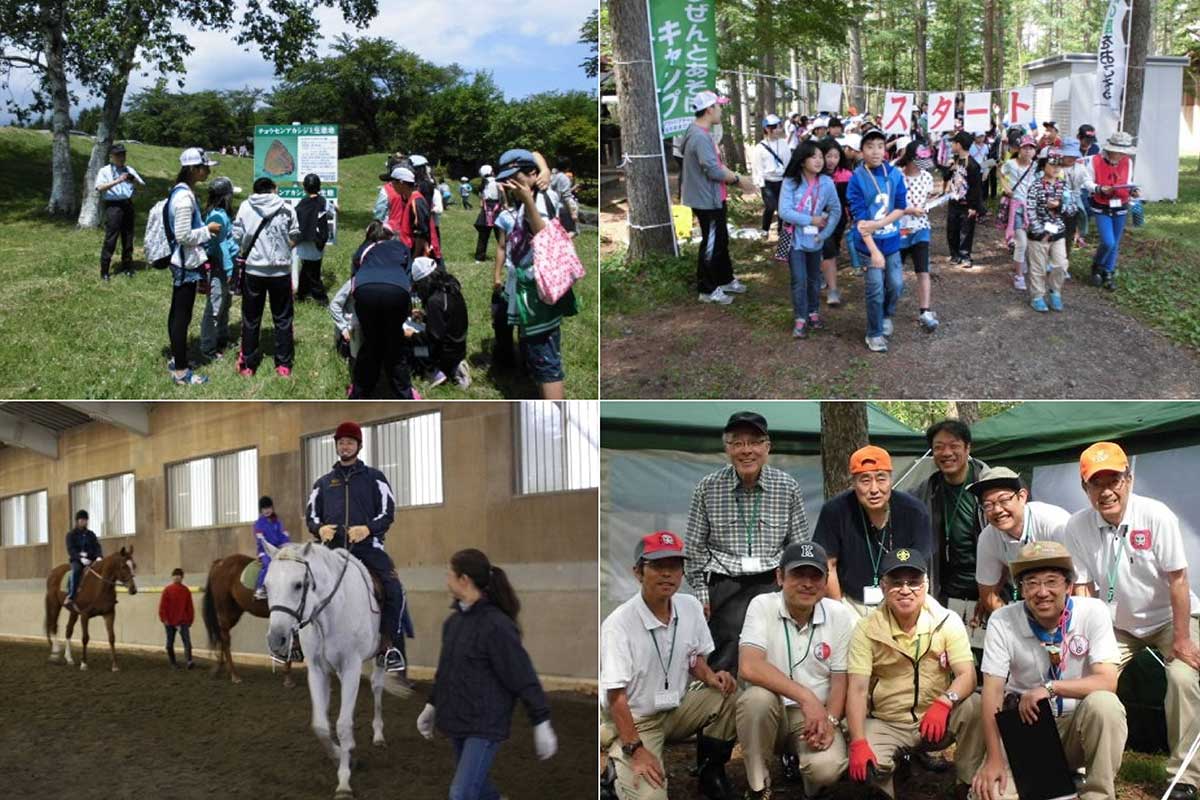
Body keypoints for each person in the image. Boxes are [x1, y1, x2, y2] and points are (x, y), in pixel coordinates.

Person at [1063, 441, 1200, 800]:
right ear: (1085, 488)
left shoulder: (1157, 515)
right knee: (1082, 674)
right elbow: (1081, 588)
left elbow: (1179, 580)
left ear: (1129, 479)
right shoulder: (1077, 527)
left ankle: (1184, 777)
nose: (1107, 491)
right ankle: (1078, 768)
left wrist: (1183, 639)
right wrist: (1085, 639)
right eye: (1097, 483)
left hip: (1170, 617)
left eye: (1115, 480)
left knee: (1184, 677)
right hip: (1116, 622)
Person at [964, 541, 1126, 800]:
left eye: (1051, 581)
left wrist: (1050, 688)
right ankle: (1050, 780)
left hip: (1077, 726)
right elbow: (992, 692)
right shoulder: (1002, 620)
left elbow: (1108, 681)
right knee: (991, 795)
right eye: (1031, 583)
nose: (1042, 592)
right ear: (1021, 589)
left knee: (1105, 704)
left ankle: (1097, 794)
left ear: (1068, 586)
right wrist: (993, 758)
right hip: (1029, 726)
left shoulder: (1093, 611)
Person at [600, 531, 739, 800]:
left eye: (674, 566)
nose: (667, 574)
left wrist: (711, 677)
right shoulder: (618, 626)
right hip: (638, 720)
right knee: (651, 797)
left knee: (731, 697)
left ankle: (711, 773)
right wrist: (637, 749)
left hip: (676, 708)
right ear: (638, 572)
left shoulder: (690, 607)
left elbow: (694, 659)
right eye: (658, 566)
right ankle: (613, 772)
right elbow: (615, 697)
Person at [416, 548, 557, 798]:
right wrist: (431, 705)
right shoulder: (453, 624)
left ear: (464, 579)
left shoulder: (497, 626)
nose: (445, 578)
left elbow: (522, 675)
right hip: (459, 718)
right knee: (477, 787)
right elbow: (445, 671)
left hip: (485, 723)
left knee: (460, 794)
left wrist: (541, 721)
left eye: (449, 573)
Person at [845, 547, 980, 798]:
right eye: (896, 582)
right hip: (887, 721)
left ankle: (967, 782)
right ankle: (890, 780)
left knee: (975, 705)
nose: (905, 589)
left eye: (914, 582)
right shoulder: (866, 629)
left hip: (935, 719)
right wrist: (858, 741)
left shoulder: (947, 620)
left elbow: (967, 675)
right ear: (883, 587)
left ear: (926, 584)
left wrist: (944, 702)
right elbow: (857, 688)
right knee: (869, 767)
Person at [684, 411, 809, 673]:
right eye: (738, 443)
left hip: (771, 581)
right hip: (724, 581)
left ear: (767, 447)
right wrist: (702, 593)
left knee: (773, 654)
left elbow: (798, 546)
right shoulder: (708, 487)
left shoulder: (787, 487)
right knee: (725, 657)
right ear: (727, 448)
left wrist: (793, 587)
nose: (746, 451)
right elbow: (694, 546)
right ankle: (722, 710)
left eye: (754, 442)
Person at [736, 541, 855, 799]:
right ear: (779, 576)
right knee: (756, 700)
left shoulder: (839, 614)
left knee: (827, 770)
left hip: (815, 716)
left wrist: (831, 721)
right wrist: (805, 696)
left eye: (815, 576)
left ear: (826, 581)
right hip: (774, 712)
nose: (807, 583)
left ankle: (809, 777)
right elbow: (749, 665)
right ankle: (758, 786)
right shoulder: (762, 605)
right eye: (798, 574)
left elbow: (840, 680)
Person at [306, 421, 414, 693]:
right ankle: (297, 646)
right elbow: (310, 516)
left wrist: (367, 529)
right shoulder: (322, 484)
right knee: (302, 586)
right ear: (336, 445)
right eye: (341, 442)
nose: (345, 446)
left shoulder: (375, 478)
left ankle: (390, 649)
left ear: (358, 446)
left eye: (350, 442)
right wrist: (320, 529)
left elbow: (388, 512)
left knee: (395, 589)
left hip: (368, 548)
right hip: (332, 552)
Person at [494, 148, 576, 400]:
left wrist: (528, 197)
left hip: (540, 289)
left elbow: (544, 235)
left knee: (547, 359)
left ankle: (555, 415)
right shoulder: (533, 192)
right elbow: (535, 153)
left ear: (530, 174)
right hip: (533, 285)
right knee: (538, 353)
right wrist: (543, 171)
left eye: (515, 176)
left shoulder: (537, 199)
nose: (511, 183)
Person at [813, 445, 932, 617]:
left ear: (891, 479)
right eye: (865, 480)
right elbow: (828, 565)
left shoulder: (914, 511)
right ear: (853, 483)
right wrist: (838, 612)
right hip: (850, 603)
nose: (874, 489)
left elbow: (920, 566)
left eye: (881, 479)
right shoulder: (835, 511)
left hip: (901, 599)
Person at [911, 419, 989, 644]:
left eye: (954, 446)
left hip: (988, 593)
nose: (946, 453)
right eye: (938, 447)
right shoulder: (925, 492)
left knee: (988, 662)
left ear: (967, 448)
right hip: (944, 596)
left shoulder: (990, 485)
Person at [846, 128, 917, 353]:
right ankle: (874, 332)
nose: (875, 151)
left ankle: (887, 314)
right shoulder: (856, 179)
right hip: (869, 247)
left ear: (885, 148)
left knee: (896, 284)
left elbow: (900, 207)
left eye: (879, 146)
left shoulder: (894, 174)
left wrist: (878, 225)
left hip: (892, 242)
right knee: (875, 289)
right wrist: (873, 250)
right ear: (861, 150)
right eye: (869, 146)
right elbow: (860, 221)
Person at [967, 466, 1070, 622]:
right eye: (988, 505)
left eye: (1004, 500)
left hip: (1067, 605)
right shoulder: (988, 538)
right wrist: (1017, 625)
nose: (997, 510)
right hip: (1027, 606)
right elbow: (987, 594)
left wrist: (1056, 624)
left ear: (1022, 497)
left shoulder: (1054, 522)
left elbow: (1077, 582)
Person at [680, 90, 749, 305]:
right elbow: (713, 170)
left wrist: (734, 177)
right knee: (711, 244)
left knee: (721, 240)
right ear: (709, 110)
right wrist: (739, 179)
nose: (721, 110)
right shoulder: (699, 136)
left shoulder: (702, 133)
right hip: (706, 200)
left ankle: (724, 279)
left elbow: (717, 166)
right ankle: (707, 289)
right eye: (719, 107)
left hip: (715, 197)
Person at [233, 176, 299, 378]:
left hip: (254, 269)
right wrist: (282, 249)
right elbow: (295, 234)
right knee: (283, 318)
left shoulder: (245, 206)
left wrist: (248, 247)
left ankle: (248, 364)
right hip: (280, 270)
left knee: (251, 317)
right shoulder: (287, 207)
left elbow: (237, 236)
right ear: (273, 189)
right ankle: (283, 364)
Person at [165, 147, 222, 386]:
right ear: (193, 169)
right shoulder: (184, 198)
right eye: (204, 167)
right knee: (182, 316)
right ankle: (181, 371)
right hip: (186, 264)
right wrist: (207, 231)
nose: (207, 171)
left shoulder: (180, 191)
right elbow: (183, 235)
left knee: (178, 313)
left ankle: (177, 357)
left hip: (183, 262)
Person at [347, 222, 418, 399]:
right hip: (396, 291)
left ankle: (360, 392)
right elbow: (409, 277)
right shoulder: (401, 246)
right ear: (390, 235)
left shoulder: (364, 249)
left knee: (371, 341)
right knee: (394, 343)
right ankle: (403, 394)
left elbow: (354, 276)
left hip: (366, 291)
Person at [778, 139, 840, 339]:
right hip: (795, 239)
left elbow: (836, 210)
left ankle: (813, 312)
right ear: (802, 160)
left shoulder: (827, 183)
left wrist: (824, 234)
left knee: (814, 279)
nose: (819, 160)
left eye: (821, 156)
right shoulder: (790, 182)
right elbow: (784, 211)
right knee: (799, 280)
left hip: (816, 241)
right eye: (814, 156)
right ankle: (800, 318)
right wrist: (810, 220)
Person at [1084, 131, 1140, 291]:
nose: (1121, 154)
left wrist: (1132, 190)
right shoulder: (1095, 160)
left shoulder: (1127, 162)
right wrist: (1099, 188)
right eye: (1119, 151)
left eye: (1124, 151)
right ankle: (1097, 265)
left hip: (1121, 204)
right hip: (1101, 204)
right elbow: (1087, 181)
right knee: (1108, 241)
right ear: (1111, 149)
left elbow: (1127, 181)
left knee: (1115, 243)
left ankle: (1108, 272)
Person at [1025, 148, 1077, 312]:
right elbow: (1030, 209)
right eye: (1052, 164)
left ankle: (1055, 291)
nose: (1056, 168)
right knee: (1038, 267)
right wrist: (1040, 231)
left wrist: (1059, 206)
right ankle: (1037, 296)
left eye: (1059, 165)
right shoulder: (1035, 186)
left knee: (1061, 264)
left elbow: (1072, 209)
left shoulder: (1064, 185)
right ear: (1044, 165)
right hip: (1038, 234)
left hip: (1058, 232)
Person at [895, 140, 940, 331]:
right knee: (894, 274)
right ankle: (887, 308)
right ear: (911, 159)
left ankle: (925, 310)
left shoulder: (927, 178)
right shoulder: (896, 176)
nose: (922, 166)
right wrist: (909, 210)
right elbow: (892, 204)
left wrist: (932, 201)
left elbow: (928, 198)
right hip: (899, 230)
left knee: (923, 270)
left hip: (921, 228)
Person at [408, 256, 470, 389]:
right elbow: (447, 320)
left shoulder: (434, 301)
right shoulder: (451, 289)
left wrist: (411, 335)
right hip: (459, 347)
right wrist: (425, 317)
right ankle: (455, 367)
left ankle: (434, 372)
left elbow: (434, 337)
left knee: (414, 348)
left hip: (444, 352)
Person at [200, 177, 238, 363]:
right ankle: (207, 347)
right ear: (224, 197)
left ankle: (222, 338)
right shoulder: (217, 216)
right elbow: (221, 244)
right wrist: (230, 269)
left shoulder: (221, 213)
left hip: (225, 264)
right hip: (219, 266)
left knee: (225, 302)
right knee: (214, 306)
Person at [94, 142, 145, 281]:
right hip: (113, 206)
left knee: (128, 236)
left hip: (127, 204)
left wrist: (133, 180)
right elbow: (99, 187)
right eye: (118, 155)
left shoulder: (129, 169)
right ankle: (104, 270)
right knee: (111, 237)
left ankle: (127, 266)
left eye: (123, 155)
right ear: (111, 156)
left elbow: (142, 186)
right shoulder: (104, 171)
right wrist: (117, 181)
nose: (121, 158)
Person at [1000, 135, 1038, 291]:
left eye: (1031, 148)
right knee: (1021, 242)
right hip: (1016, 207)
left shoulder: (1037, 166)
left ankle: (1021, 264)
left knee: (1030, 241)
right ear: (1019, 149)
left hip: (1033, 208)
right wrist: (1005, 187)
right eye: (1025, 148)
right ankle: (1018, 275)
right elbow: (1001, 172)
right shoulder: (1011, 164)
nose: (1028, 151)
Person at [381, 166, 440, 263]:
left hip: (418, 254)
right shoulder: (409, 199)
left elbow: (421, 234)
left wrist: (414, 258)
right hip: (409, 249)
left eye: (393, 182)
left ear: (401, 183)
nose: (391, 185)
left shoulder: (416, 202)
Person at [820, 138, 853, 306]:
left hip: (839, 219)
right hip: (819, 221)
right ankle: (832, 290)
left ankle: (824, 274)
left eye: (835, 156)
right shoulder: (815, 174)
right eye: (828, 156)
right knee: (828, 250)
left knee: (833, 248)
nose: (832, 160)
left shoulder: (846, 175)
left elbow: (850, 200)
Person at [294, 172, 336, 305]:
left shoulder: (301, 203)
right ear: (319, 186)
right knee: (313, 270)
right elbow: (332, 213)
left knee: (308, 268)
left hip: (303, 240)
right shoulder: (323, 201)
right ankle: (316, 296)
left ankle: (308, 295)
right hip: (317, 240)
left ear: (305, 187)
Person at [945, 130, 983, 269]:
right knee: (952, 229)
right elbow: (946, 177)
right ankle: (954, 255)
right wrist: (948, 169)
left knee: (966, 231)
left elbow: (976, 188)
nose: (952, 145)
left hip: (967, 204)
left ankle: (965, 256)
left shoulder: (972, 165)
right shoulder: (954, 161)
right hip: (954, 201)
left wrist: (974, 206)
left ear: (959, 145)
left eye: (954, 143)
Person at [752, 114, 792, 237]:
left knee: (782, 208)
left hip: (782, 180)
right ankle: (765, 230)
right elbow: (757, 167)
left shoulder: (783, 144)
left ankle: (782, 231)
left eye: (779, 127)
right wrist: (760, 184)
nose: (777, 130)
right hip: (768, 181)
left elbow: (788, 162)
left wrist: (790, 179)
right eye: (774, 127)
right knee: (770, 206)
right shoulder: (760, 147)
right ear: (767, 129)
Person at [252, 496, 290, 601]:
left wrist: (286, 543)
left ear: (272, 508)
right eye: (264, 508)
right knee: (268, 564)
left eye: (268, 507)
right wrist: (272, 548)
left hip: (278, 550)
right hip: (265, 551)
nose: (267, 510)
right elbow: (261, 540)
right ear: (261, 510)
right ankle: (260, 588)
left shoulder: (277, 522)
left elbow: (283, 536)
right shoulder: (258, 524)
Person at [65, 510, 102, 611]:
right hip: (77, 560)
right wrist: (80, 558)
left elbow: (97, 546)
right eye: (82, 520)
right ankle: (71, 596)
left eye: (85, 520)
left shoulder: (91, 534)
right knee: (76, 571)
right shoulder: (71, 535)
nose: (84, 522)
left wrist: (99, 556)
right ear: (77, 521)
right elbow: (71, 549)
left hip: (91, 559)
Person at [159, 567, 195, 669]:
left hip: (183, 621)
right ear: (172, 577)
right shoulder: (167, 590)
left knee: (187, 642)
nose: (176, 577)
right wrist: (164, 619)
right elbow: (163, 606)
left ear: (182, 577)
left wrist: (190, 620)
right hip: (169, 622)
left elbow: (189, 607)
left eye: (178, 576)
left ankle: (189, 661)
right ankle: (173, 663)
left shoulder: (186, 591)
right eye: (174, 576)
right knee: (169, 644)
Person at [1059, 137, 1090, 253]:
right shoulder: (1053, 167)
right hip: (1055, 205)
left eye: (1074, 155)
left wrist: (1097, 188)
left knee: (1068, 233)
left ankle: (1064, 262)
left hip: (1073, 205)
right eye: (1068, 155)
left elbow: (1087, 182)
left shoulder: (1081, 168)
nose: (1071, 158)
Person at [474, 165, 504, 263]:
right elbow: (501, 194)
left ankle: (479, 257)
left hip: (486, 209)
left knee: (483, 235)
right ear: (491, 172)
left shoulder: (483, 183)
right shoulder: (497, 181)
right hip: (496, 208)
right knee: (500, 235)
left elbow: (481, 198)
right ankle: (506, 257)